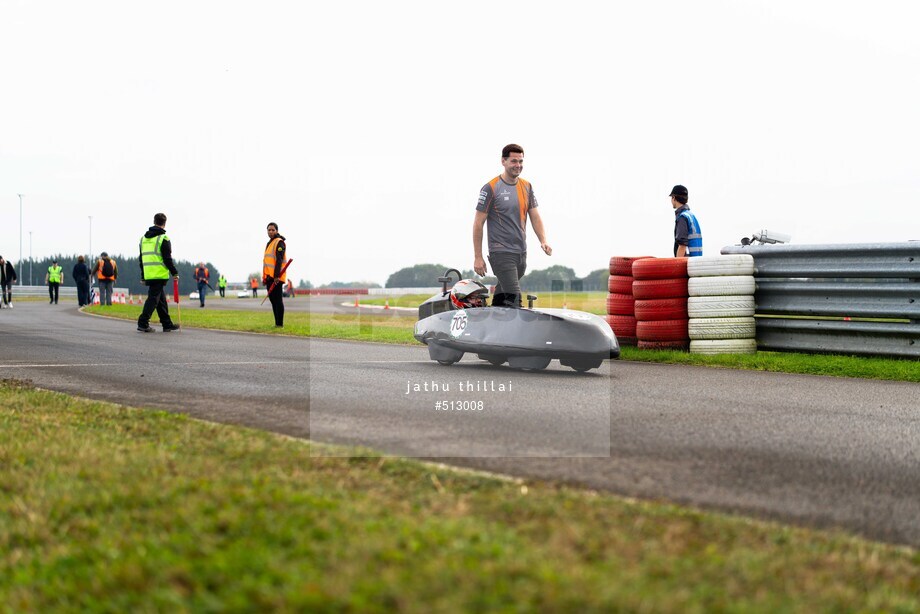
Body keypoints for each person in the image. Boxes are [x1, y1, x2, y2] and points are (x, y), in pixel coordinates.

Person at [473, 143, 552, 307]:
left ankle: (492, 319)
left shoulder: (527, 187)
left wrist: (543, 240)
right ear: (503, 161)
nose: (518, 165)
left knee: (503, 297)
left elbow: (535, 216)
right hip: (501, 252)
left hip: (521, 252)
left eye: (521, 161)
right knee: (515, 299)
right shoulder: (490, 188)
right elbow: (478, 223)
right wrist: (478, 256)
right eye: (514, 161)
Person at [137, 212, 180, 333]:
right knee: (153, 299)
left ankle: (167, 324)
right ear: (164, 224)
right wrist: (174, 272)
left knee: (160, 300)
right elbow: (167, 259)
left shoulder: (143, 239)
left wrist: (143, 275)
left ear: (154, 221)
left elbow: (141, 259)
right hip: (159, 274)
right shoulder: (164, 238)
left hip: (149, 273)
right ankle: (143, 322)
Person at [263, 222, 287, 327]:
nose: (271, 231)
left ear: (276, 231)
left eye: (273, 230)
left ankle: (280, 324)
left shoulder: (279, 242)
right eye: (269, 230)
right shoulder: (269, 243)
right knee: (273, 301)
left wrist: (276, 276)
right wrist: (265, 277)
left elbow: (279, 260)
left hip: (276, 277)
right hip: (269, 277)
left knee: (278, 300)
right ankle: (276, 323)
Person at [670, 185, 703, 257]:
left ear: (674, 198)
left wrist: (677, 266)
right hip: (696, 261)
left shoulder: (682, 217)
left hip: (687, 262)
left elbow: (682, 245)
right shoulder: (691, 215)